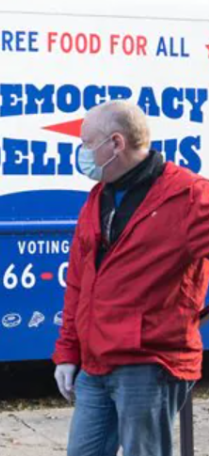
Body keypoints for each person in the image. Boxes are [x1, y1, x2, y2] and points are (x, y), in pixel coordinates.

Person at [53, 99, 209, 456]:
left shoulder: (188, 196)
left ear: (116, 143)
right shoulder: (99, 198)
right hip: (96, 363)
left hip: (150, 363)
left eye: (87, 142)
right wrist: (67, 352)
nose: (82, 152)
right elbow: (79, 281)